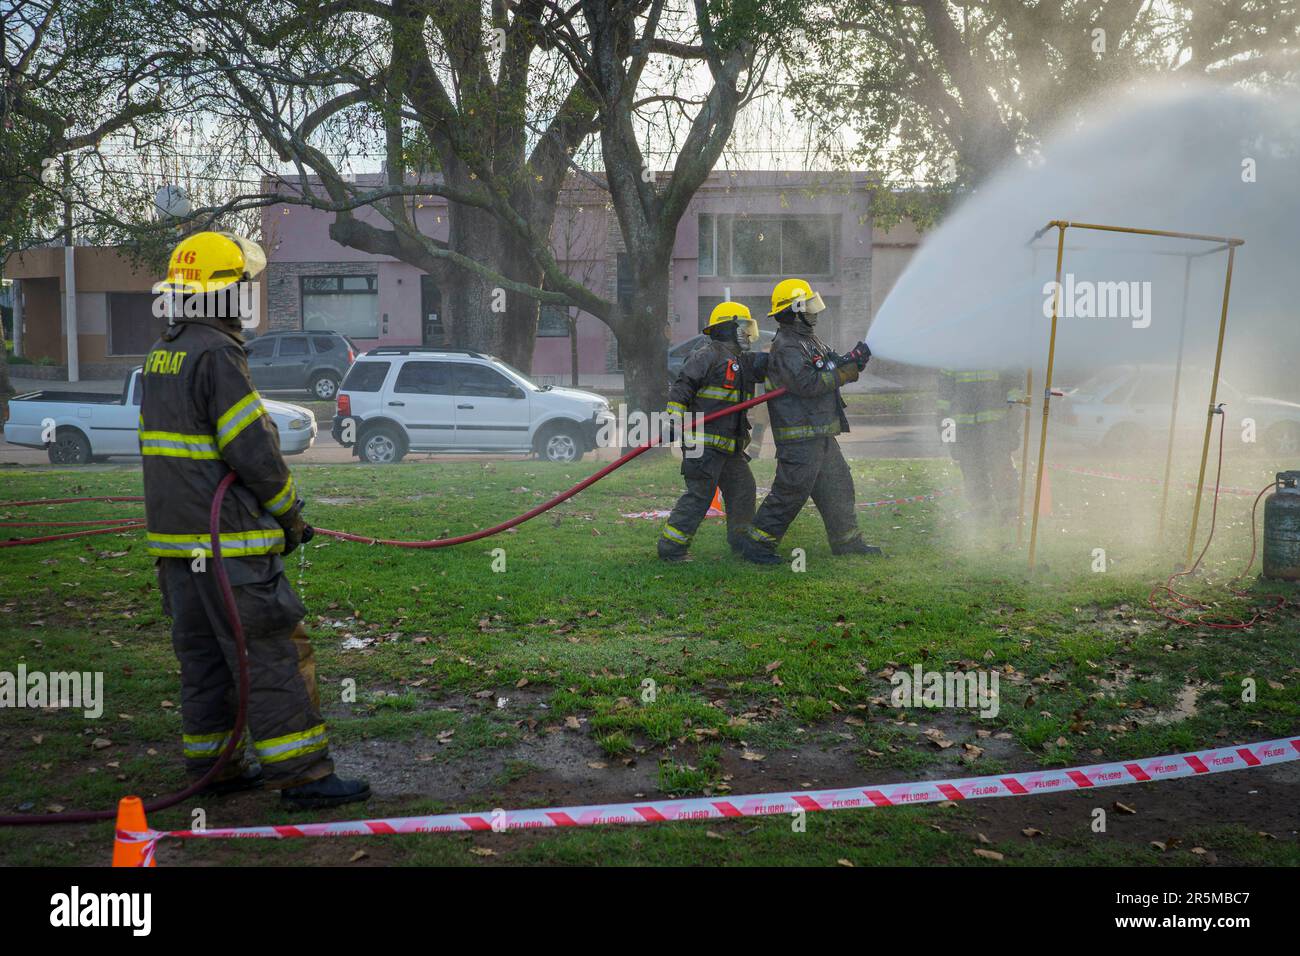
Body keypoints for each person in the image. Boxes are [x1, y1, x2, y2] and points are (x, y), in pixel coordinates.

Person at [142, 231, 369, 810]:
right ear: (221, 293)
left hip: (179, 550)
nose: (248, 295)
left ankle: (213, 768)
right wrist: (291, 514)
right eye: (243, 284)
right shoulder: (218, 354)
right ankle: (304, 777)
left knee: (206, 662)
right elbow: (254, 450)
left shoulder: (164, 353)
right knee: (270, 653)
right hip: (231, 547)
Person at [740, 278, 882, 565]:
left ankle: (847, 542)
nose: (814, 312)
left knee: (839, 486)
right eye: (808, 307)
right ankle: (757, 547)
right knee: (789, 493)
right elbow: (806, 383)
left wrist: (852, 360)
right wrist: (843, 373)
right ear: (795, 310)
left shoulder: (809, 341)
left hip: (820, 434)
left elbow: (829, 365)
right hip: (800, 437)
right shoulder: (787, 346)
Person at [658, 302, 768, 561]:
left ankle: (741, 542)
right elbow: (682, 387)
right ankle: (671, 548)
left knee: (743, 488)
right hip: (703, 445)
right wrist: (673, 419)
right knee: (700, 495)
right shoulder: (706, 356)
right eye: (744, 327)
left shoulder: (741, 361)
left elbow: (768, 365)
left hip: (729, 447)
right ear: (729, 328)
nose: (749, 333)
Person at [936, 368, 1023, 520]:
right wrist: (948, 437)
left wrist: (1013, 425)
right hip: (966, 431)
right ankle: (981, 512)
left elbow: (1014, 391)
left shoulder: (998, 352)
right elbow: (943, 401)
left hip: (996, 427)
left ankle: (1010, 512)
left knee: (1002, 469)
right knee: (972, 472)